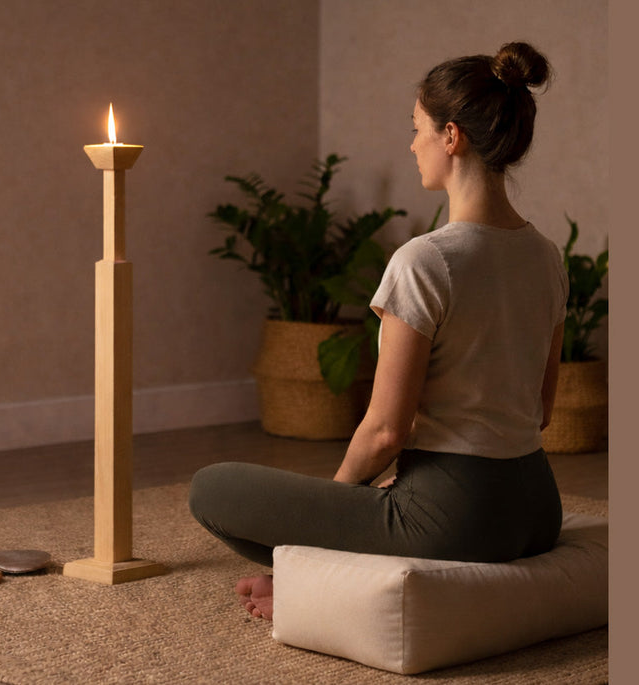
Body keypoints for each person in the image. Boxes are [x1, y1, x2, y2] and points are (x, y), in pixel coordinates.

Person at [189, 42, 567, 621]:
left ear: (451, 136)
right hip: (539, 510)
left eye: (417, 129)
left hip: (456, 519)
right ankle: (325, 572)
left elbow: (386, 432)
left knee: (211, 489)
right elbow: (541, 410)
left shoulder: (425, 261)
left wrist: (338, 506)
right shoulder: (546, 257)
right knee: (367, 503)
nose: (411, 143)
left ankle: (313, 579)